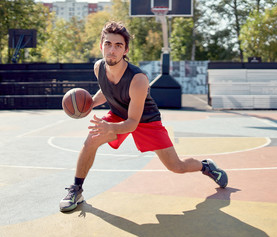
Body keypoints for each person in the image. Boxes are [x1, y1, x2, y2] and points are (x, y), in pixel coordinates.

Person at [59, 21, 228, 212]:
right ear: (101, 46)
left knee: (176, 166)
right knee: (91, 140)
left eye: (118, 45)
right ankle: (76, 189)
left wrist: (111, 128)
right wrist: (90, 103)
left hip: (146, 120)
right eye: (108, 44)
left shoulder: (138, 79)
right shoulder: (99, 68)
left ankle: (206, 166)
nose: (112, 50)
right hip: (118, 114)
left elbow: (132, 123)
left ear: (126, 50)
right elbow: (107, 90)